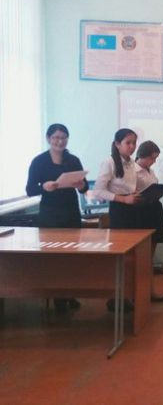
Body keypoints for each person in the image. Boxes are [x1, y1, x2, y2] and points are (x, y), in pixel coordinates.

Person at [26, 123, 89, 314]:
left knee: (72, 257)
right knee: (54, 257)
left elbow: (85, 188)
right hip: (50, 214)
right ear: (48, 139)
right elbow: (30, 189)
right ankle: (57, 297)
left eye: (63, 138)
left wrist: (80, 186)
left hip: (71, 212)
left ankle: (69, 293)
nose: (59, 141)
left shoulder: (73, 160)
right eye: (56, 138)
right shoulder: (39, 161)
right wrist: (44, 187)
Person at [94, 128, 142, 312]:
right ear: (117, 144)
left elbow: (129, 187)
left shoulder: (131, 163)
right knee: (120, 255)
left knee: (131, 256)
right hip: (119, 210)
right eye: (128, 143)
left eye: (134, 143)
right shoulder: (109, 162)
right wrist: (123, 199)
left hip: (133, 209)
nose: (132, 146)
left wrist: (135, 194)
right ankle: (114, 298)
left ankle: (126, 295)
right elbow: (98, 191)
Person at [135, 140, 163, 303]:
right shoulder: (132, 171)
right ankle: (140, 293)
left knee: (150, 256)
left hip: (154, 210)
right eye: (152, 158)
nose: (154, 161)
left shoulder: (150, 170)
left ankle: (150, 291)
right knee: (141, 256)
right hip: (141, 214)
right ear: (142, 155)